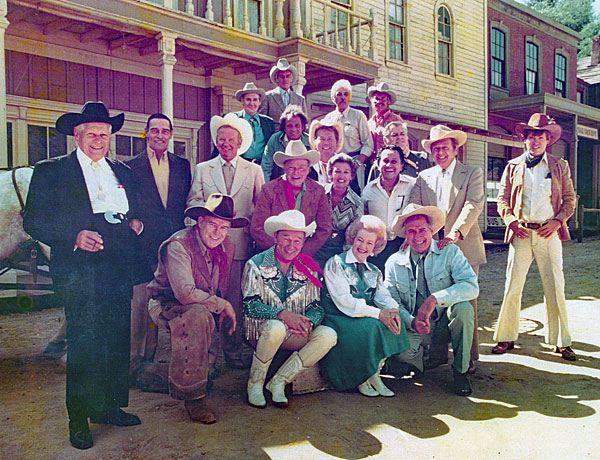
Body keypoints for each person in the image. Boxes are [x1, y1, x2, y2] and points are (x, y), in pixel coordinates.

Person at [23, 102, 147, 449]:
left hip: (117, 267)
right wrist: (74, 235)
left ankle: (108, 407)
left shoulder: (121, 171)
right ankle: (78, 418)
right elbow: (33, 220)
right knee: (84, 344)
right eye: (92, 134)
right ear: (77, 135)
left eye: (105, 134)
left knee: (115, 339)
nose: (99, 140)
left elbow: (135, 211)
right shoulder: (52, 171)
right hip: (80, 270)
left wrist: (136, 221)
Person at [147, 194, 244, 423]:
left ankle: (189, 374)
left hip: (200, 304)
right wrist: (222, 305)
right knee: (198, 315)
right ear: (200, 222)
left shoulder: (227, 246)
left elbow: (218, 288)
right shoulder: (178, 245)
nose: (217, 233)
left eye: (224, 227)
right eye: (212, 224)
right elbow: (184, 293)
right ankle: (194, 398)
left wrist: (218, 306)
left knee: (203, 314)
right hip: (166, 303)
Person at [492, 113, 577, 361]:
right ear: (524, 139)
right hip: (521, 233)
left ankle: (562, 341)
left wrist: (557, 221)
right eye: (532, 136)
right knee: (513, 286)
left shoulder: (559, 166)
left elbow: (570, 200)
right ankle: (506, 337)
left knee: (555, 286)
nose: (536, 141)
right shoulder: (513, 166)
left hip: (548, 233)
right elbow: (502, 200)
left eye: (541, 136)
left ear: (548, 140)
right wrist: (511, 221)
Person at [187, 113, 264, 369]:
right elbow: (193, 202)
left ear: (240, 142)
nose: (226, 144)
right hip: (207, 248)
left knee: (232, 301)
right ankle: (207, 357)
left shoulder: (253, 170)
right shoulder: (202, 168)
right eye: (221, 139)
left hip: (239, 248)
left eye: (231, 140)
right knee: (207, 299)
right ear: (216, 142)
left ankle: (232, 352)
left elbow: (259, 208)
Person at [409, 125, 485, 373]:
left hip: (463, 243)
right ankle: (438, 353)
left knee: (466, 301)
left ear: (456, 149)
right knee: (434, 296)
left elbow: (473, 204)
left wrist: (456, 232)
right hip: (432, 246)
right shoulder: (424, 177)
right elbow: (414, 206)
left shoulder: (472, 172)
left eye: (445, 147)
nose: (440, 152)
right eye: (436, 148)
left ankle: (468, 358)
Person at [243, 210, 337, 408]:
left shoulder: (308, 267)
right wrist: (282, 315)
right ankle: (255, 383)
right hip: (261, 331)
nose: (291, 246)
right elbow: (249, 305)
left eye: (297, 241)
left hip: (295, 332)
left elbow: (316, 306)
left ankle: (278, 382)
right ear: (276, 237)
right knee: (276, 327)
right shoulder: (256, 264)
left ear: (303, 242)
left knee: (328, 335)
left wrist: (308, 322)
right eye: (286, 239)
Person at [125, 113, 191, 387]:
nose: (160, 135)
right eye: (155, 130)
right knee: (140, 302)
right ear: (147, 134)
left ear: (171, 135)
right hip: (144, 244)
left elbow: (184, 202)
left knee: (168, 301)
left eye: (165, 131)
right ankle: (135, 361)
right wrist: (133, 221)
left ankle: (159, 361)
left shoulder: (182, 165)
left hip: (174, 245)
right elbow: (125, 201)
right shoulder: (131, 167)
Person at [385, 204, 478, 396]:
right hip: (415, 325)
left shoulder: (450, 252)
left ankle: (460, 371)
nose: (417, 236)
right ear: (405, 235)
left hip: (445, 322)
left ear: (432, 231)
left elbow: (471, 286)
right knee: (403, 354)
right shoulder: (394, 262)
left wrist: (435, 299)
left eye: (422, 230)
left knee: (464, 309)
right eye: (411, 231)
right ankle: (421, 361)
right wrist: (412, 322)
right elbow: (391, 301)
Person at [321, 215, 409, 396]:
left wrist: (393, 311)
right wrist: (378, 314)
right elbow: (344, 301)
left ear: (375, 247)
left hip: (360, 315)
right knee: (372, 326)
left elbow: (382, 295)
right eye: (360, 240)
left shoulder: (374, 270)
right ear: (352, 239)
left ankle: (374, 374)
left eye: (369, 243)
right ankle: (361, 376)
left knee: (392, 325)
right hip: (338, 316)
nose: (363, 246)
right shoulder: (336, 263)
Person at [251, 140, 332, 256]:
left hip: (304, 253)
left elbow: (325, 228)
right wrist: (281, 252)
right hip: (272, 252)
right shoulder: (269, 190)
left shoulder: (318, 191)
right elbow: (257, 228)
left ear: (308, 170)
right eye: (291, 168)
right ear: (284, 168)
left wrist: (301, 252)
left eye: (302, 168)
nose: (296, 173)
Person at [362, 145, 415, 271]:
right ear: (378, 164)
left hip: (405, 244)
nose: (389, 165)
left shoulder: (412, 185)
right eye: (385, 161)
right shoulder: (369, 190)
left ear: (402, 165)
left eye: (394, 161)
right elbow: (363, 218)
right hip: (378, 247)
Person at [313, 153, 363, 268]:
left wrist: (344, 259)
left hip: (339, 250)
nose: (342, 176)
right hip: (315, 246)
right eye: (337, 171)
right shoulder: (318, 193)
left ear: (352, 176)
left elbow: (354, 234)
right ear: (330, 174)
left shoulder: (357, 202)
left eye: (346, 172)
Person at [323, 79, 374, 191]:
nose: (343, 97)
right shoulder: (328, 118)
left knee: (356, 193)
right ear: (333, 98)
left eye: (346, 94)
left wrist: (357, 162)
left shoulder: (358, 116)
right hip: (335, 164)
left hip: (354, 163)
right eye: (339, 94)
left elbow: (368, 144)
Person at [261, 104, 311, 181]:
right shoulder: (275, 139)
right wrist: (265, 188)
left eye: (297, 126)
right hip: (278, 183)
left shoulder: (309, 141)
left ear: (303, 127)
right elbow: (266, 167)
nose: (293, 129)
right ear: (284, 127)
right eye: (290, 126)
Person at [231, 82, 276, 164]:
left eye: (255, 99)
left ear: (259, 102)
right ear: (242, 101)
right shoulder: (234, 119)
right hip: (239, 165)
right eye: (248, 99)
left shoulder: (268, 122)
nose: (252, 103)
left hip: (262, 166)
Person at [259, 58, 308, 131]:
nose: (285, 79)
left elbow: (305, 123)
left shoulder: (300, 99)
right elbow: (263, 121)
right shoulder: (268, 97)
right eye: (281, 76)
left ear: (291, 78)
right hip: (274, 137)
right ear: (276, 79)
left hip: (294, 137)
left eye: (287, 76)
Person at [366, 82, 403, 154]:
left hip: (389, 160)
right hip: (372, 162)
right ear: (372, 102)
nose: (379, 101)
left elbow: (403, 143)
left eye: (383, 99)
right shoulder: (370, 122)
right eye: (376, 98)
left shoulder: (396, 120)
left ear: (388, 102)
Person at [307, 118, 344, 184]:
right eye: (322, 139)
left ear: (336, 141)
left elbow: (354, 192)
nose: (326, 143)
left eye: (330, 139)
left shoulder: (346, 165)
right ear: (315, 141)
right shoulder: (308, 166)